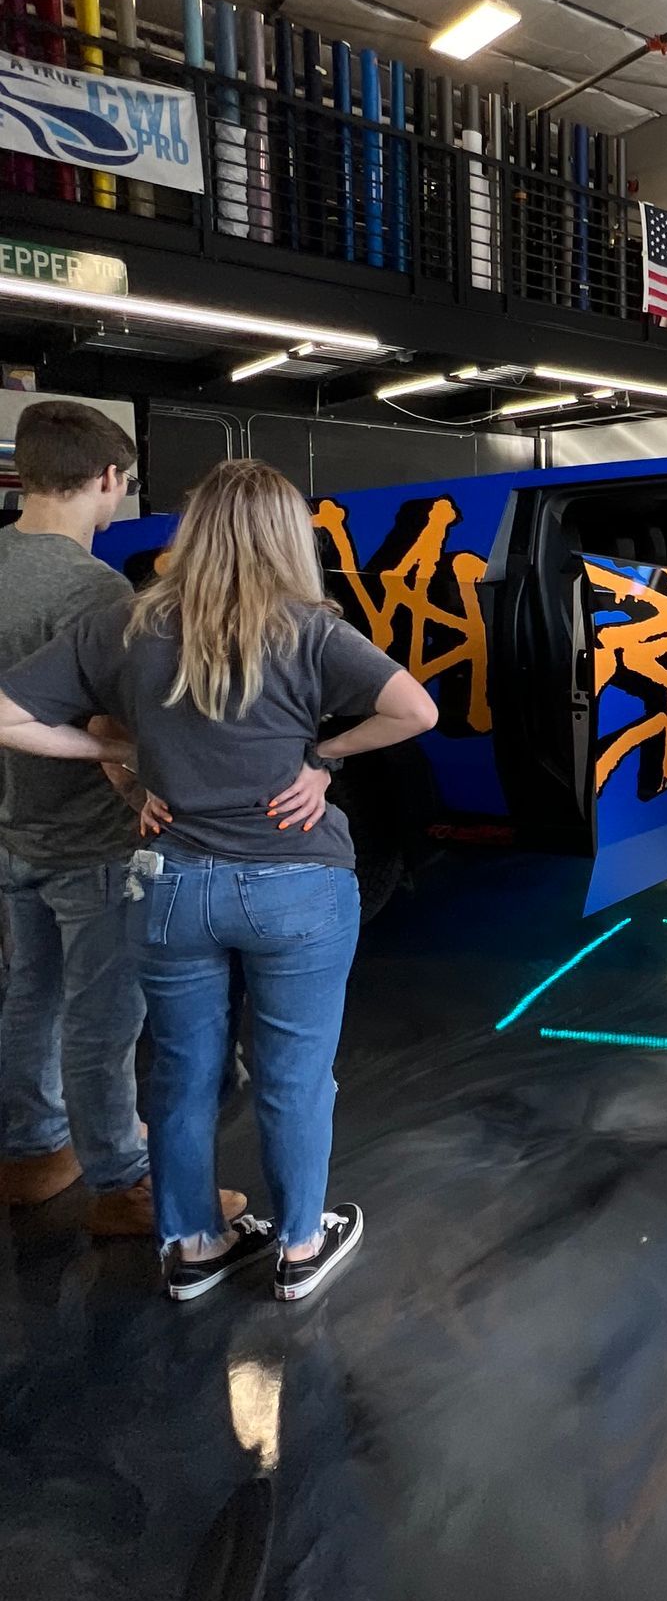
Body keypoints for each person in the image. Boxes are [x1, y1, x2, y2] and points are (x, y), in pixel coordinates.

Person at [0, 457, 437, 1303]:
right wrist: (322, 758)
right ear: (285, 538)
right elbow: (416, 710)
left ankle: (194, 1245)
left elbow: (11, 714)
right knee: (294, 1072)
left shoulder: (128, 626)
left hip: (171, 887)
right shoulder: (310, 630)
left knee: (180, 1072)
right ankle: (301, 1247)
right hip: (296, 889)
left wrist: (125, 759)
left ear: (192, 533)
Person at [0, 400, 234, 1236]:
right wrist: (149, 783)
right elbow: (108, 730)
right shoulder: (95, 588)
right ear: (108, 479)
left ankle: (31, 1152)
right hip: (91, 839)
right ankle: (124, 1183)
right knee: (104, 1019)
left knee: (29, 997)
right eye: (122, 487)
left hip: (11, 833)